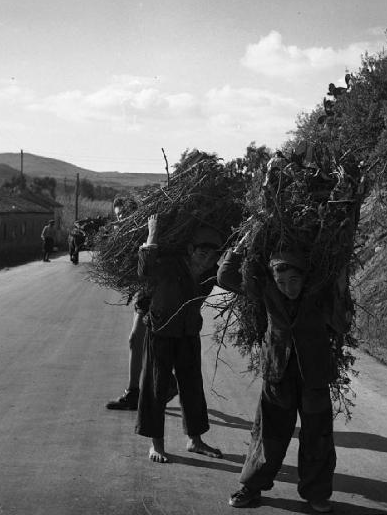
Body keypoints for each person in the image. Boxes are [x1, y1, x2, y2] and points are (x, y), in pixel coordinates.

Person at [217, 234, 352, 513]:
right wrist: (241, 245)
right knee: (268, 433)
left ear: (304, 278)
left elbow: (341, 324)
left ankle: (316, 493)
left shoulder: (319, 295)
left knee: (317, 436)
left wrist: (341, 289)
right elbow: (226, 277)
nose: (288, 288)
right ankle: (251, 487)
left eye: (293, 281)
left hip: (313, 375)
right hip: (277, 372)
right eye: (281, 283)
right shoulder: (267, 291)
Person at [135, 214, 223, 463]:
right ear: (190, 249)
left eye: (212, 256)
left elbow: (230, 273)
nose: (207, 260)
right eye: (202, 253)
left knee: (193, 387)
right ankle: (157, 445)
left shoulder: (210, 273)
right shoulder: (170, 263)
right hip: (160, 331)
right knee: (155, 387)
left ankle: (195, 440)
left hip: (188, 333)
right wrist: (152, 232)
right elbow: (145, 270)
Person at [106, 197, 179, 411]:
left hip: (154, 291)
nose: (121, 219)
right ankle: (140, 390)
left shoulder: (145, 233)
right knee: (138, 341)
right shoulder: (125, 237)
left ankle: (150, 388)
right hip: (143, 292)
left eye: (124, 215)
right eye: (118, 215)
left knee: (140, 340)